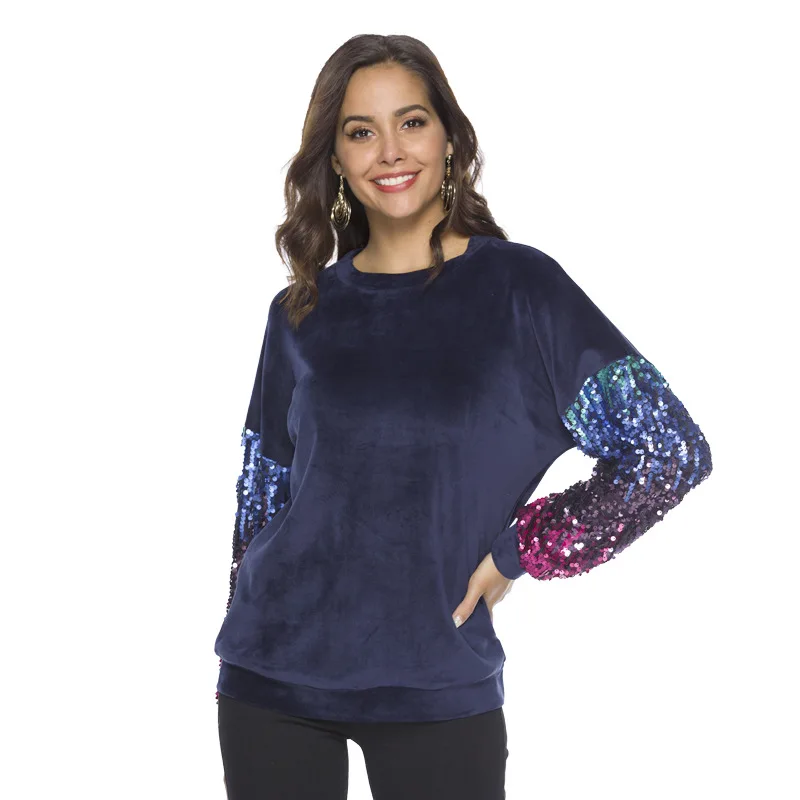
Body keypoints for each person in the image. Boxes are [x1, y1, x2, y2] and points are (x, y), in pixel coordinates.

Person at [213, 34, 713, 800]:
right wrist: (240, 607)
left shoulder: (521, 291)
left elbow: (669, 450)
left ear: (449, 137)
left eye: (411, 122)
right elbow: (262, 497)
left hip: (438, 683)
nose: (390, 150)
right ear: (336, 158)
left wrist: (524, 550)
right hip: (270, 681)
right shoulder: (299, 311)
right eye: (360, 131)